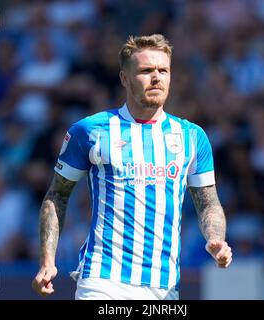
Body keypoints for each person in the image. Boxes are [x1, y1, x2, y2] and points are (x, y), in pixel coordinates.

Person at [32, 34, 232, 300]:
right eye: (146, 71)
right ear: (125, 79)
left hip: (163, 285)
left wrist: (216, 238)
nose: (157, 77)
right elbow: (57, 195)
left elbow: (207, 202)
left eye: (164, 70)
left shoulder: (192, 136)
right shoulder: (90, 131)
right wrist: (48, 260)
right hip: (102, 281)